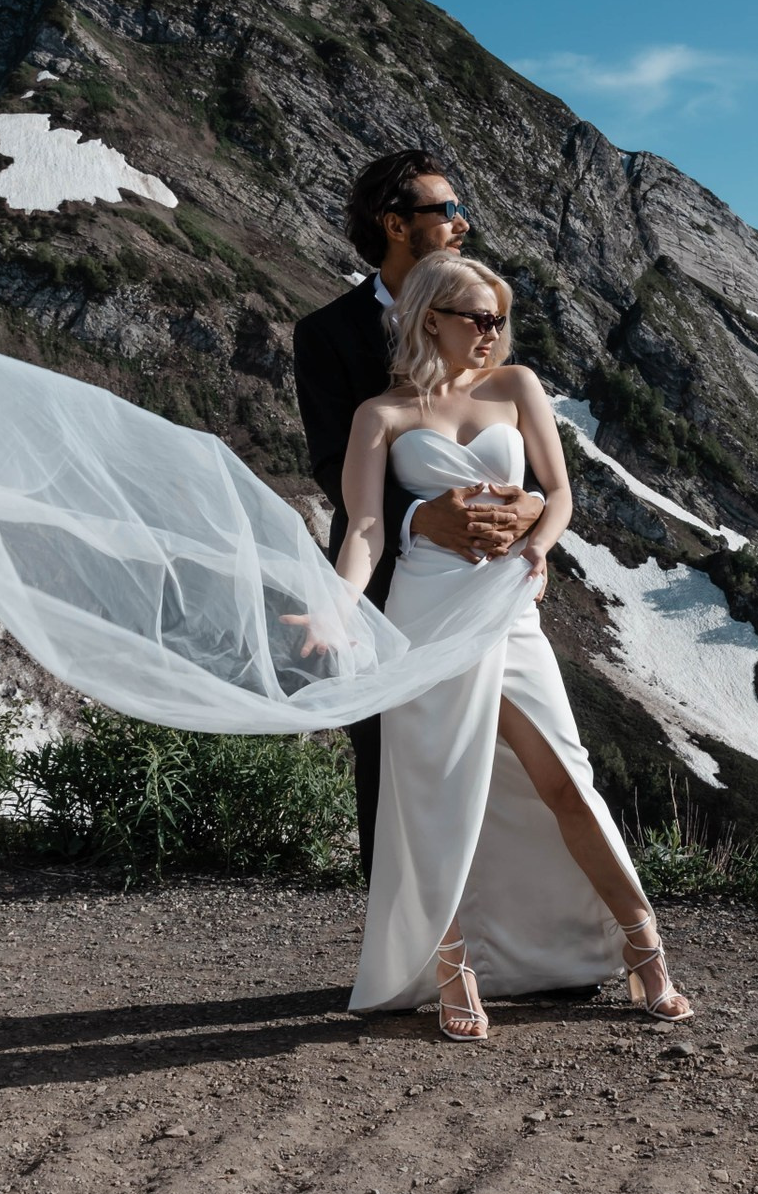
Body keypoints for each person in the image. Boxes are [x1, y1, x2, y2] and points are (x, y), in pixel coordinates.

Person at [310, 252, 693, 1040]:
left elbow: (559, 495)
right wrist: (336, 606)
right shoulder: (378, 414)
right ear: (430, 320)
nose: (492, 332)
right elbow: (367, 528)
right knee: (434, 800)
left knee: (566, 780)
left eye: (498, 318)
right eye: (477, 318)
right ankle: (451, 969)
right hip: (425, 612)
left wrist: (539, 549)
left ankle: (644, 947)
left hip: (509, 606)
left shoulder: (516, 387)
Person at [293, 151, 542, 876]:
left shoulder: (481, 308)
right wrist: (418, 519)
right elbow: (330, 461)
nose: (462, 223)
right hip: (387, 583)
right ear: (396, 224)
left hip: (491, 578)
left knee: (512, 760)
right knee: (392, 758)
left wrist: (528, 506)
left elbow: (520, 432)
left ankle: (514, 944)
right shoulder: (328, 334)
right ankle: (401, 954)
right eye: (446, 210)